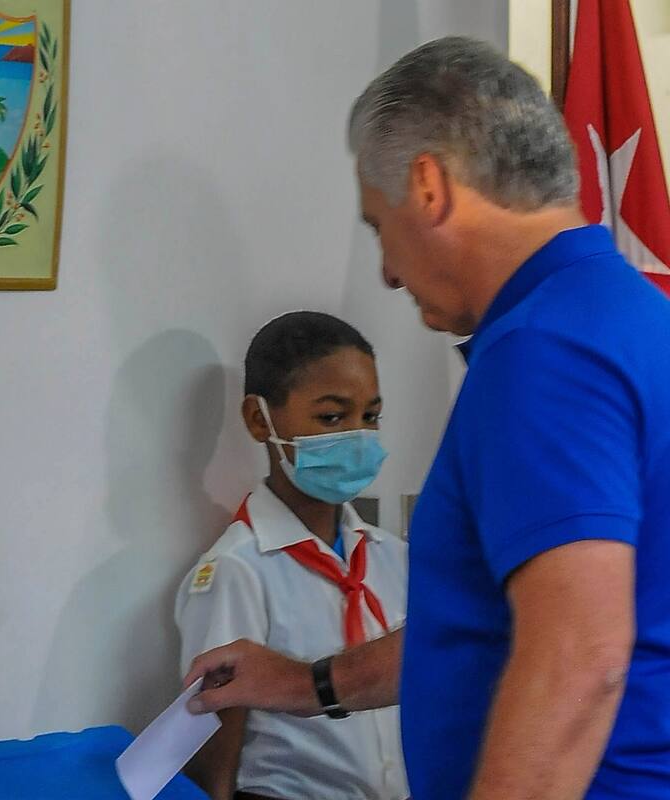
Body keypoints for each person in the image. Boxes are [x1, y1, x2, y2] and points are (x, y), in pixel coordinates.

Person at [186, 36, 670, 799]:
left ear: (430, 187)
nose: (385, 270)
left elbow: (580, 654)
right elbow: (493, 625)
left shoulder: (544, 353)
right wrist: (310, 682)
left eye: (380, 226)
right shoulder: (627, 316)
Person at [175, 312, 408, 800]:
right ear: (260, 420)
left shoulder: (395, 558)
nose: (358, 436)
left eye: (370, 416)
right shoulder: (237, 570)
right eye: (332, 417)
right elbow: (215, 737)